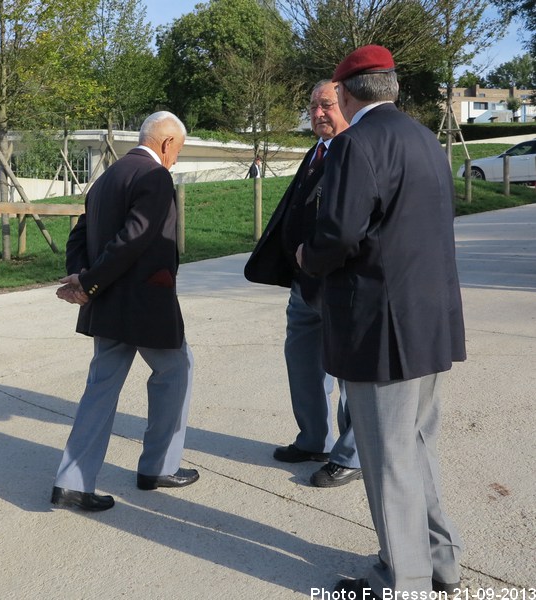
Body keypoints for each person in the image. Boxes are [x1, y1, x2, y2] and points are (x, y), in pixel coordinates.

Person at [297, 45, 466, 597]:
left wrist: (307, 257)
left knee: (387, 459)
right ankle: (441, 562)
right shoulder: (425, 139)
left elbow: (341, 234)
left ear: (346, 92)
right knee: (417, 447)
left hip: (379, 329)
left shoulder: (355, 144)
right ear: (391, 89)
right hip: (428, 321)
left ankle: (402, 579)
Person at [51, 111, 198, 512]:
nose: (176, 160)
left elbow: (80, 233)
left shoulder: (107, 177)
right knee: (176, 370)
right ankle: (158, 467)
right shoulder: (154, 176)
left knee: (100, 389)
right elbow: (135, 238)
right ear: (166, 143)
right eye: (178, 151)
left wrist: (84, 279)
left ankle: (72, 483)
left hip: (108, 304)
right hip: (145, 304)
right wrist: (90, 280)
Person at [244, 80, 361, 488]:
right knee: (303, 363)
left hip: (339, 285)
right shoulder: (317, 151)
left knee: (348, 375)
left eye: (326, 105)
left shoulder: (355, 151)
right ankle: (314, 440)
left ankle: (350, 454)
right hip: (303, 285)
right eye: (312, 106)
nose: (317, 114)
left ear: (345, 103)